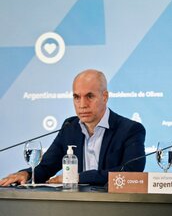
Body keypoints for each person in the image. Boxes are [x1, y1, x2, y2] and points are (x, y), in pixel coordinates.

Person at [0, 69, 146, 186]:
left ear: (105, 97)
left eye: (89, 96)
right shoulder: (70, 127)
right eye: (77, 97)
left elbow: (132, 172)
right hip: (74, 208)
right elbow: (46, 167)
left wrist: (77, 178)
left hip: (114, 207)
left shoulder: (130, 129)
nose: (82, 105)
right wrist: (26, 174)